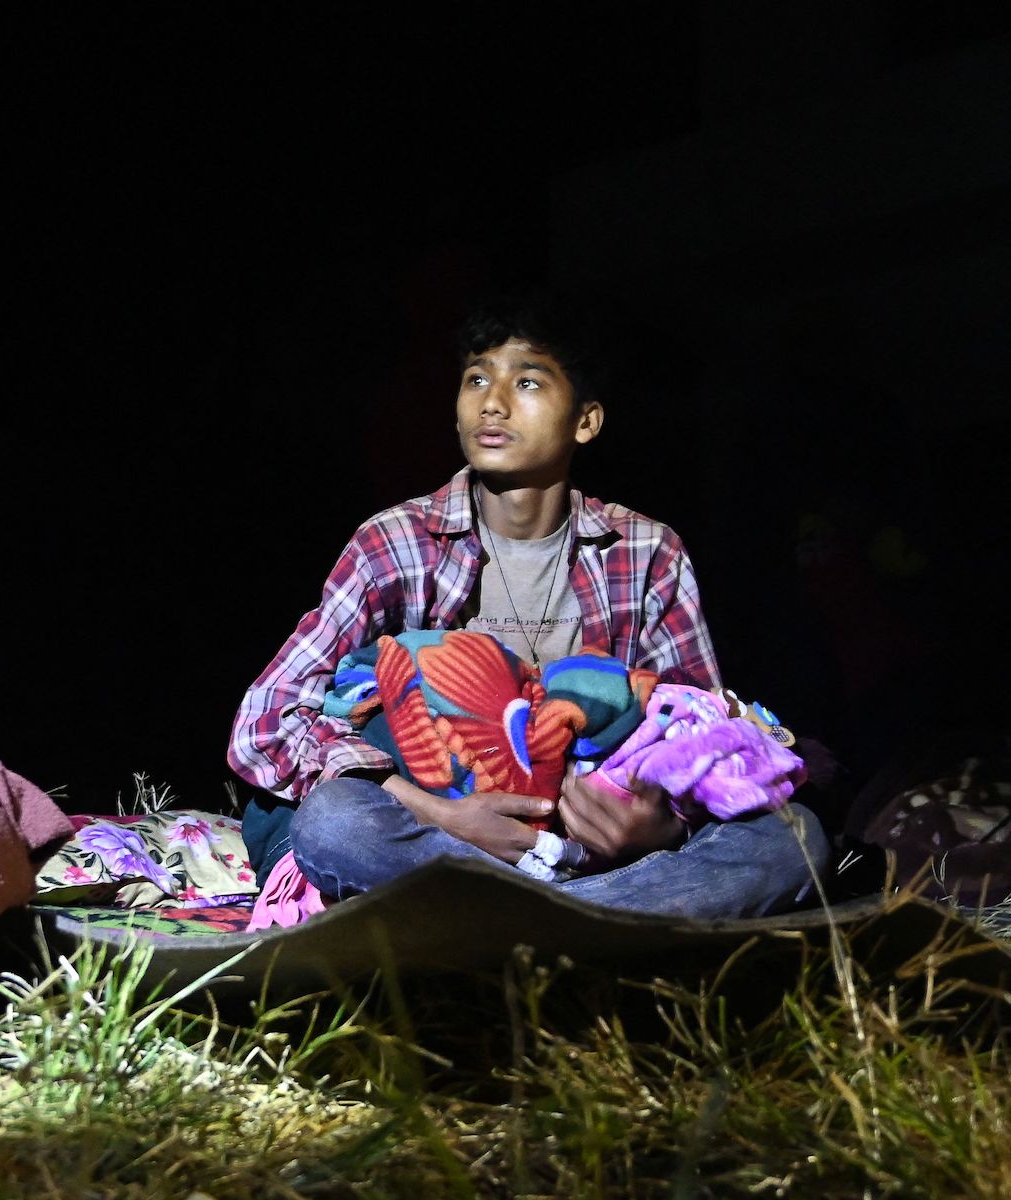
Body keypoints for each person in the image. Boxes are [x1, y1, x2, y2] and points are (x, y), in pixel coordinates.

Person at [227, 294, 829, 920]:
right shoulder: (396, 542)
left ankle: (545, 921)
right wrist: (438, 813)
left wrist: (661, 822)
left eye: (529, 380)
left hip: (590, 850)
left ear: (586, 421)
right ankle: (584, 928)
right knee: (335, 822)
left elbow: (699, 730)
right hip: (435, 838)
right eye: (477, 379)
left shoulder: (647, 552)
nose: (493, 401)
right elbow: (265, 719)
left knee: (795, 836)